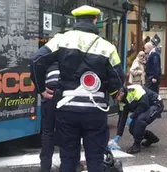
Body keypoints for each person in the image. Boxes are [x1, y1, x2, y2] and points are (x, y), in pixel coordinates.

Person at [30, 5, 124, 172]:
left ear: (75, 21)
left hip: (67, 110)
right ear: (95, 20)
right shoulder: (107, 47)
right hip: (95, 111)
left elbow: (37, 60)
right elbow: (117, 79)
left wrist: (41, 89)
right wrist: (115, 92)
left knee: (68, 158)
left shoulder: (61, 39)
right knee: (95, 159)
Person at [109, 85, 164, 154]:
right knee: (132, 128)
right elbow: (122, 117)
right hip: (145, 107)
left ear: (121, 93)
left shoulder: (134, 89)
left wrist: (132, 116)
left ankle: (136, 145)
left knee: (140, 120)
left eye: (117, 97)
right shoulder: (122, 101)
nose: (117, 100)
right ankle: (151, 138)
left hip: (155, 104)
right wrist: (118, 135)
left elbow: (144, 105)